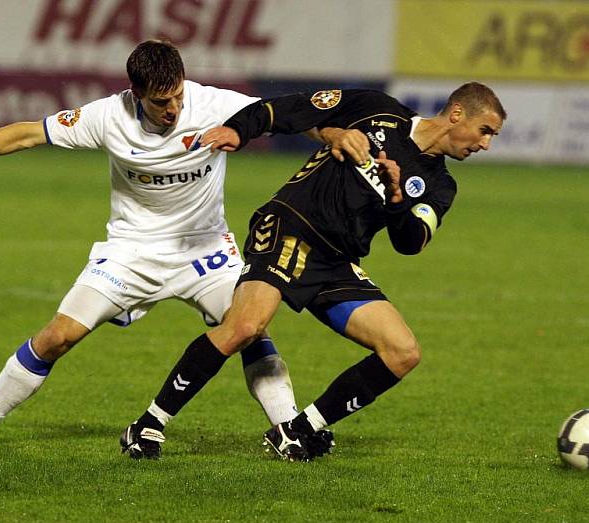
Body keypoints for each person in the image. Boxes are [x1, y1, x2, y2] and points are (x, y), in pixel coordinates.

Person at [0, 40, 336, 459]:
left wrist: (333, 133)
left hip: (204, 250)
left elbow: (288, 115)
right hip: (130, 252)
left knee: (249, 328)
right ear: (136, 94)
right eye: (161, 102)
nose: (173, 109)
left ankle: (288, 428)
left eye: (177, 96)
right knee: (58, 336)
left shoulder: (215, 104)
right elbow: (29, 133)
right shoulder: (106, 116)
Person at [121, 83, 506, 461]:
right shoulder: (378, 109)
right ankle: (148, 424)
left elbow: (411, 242)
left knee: (402, 352)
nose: (485, 144)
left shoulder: (440, 185)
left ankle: (299, 429)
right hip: (292, 226)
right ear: (456, 113)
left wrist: (396, 198)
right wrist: (240, 130)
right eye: (484, 130)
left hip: (336, 261)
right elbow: (292, 108)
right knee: (244, 327)